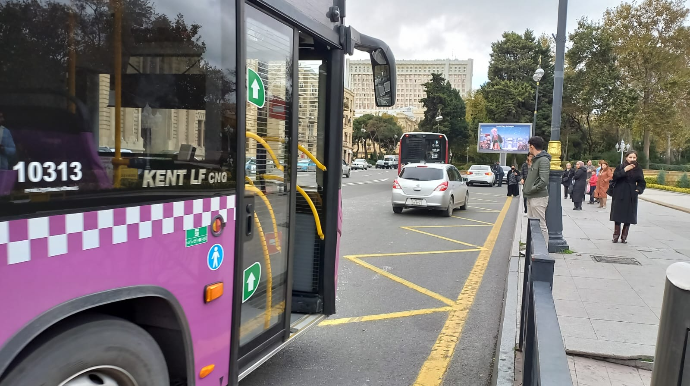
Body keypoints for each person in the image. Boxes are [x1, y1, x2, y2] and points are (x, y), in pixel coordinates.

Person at [610, 151, 646, 243]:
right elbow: (615, 177)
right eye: (630, 157)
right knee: (617, 215)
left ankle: (624, 236)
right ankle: (616, 235)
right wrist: (625, 170)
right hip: (619, 192)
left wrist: (638, 190)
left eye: (634, 158)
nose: (632, 159)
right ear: (626, 157)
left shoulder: (638, 169)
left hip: (631, 193)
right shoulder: (621, 167)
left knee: (628, 215)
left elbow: (642, 182)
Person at [523, 136, 551, 242]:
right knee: (532, 225)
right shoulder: (536, 160)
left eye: (529, 146)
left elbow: (544, 181)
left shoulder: (543, 160)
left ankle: (543, 254)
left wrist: (531, 189)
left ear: (532, 146)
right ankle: (532, 250)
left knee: (540, 225)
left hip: (538, 198)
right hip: (532, 197)